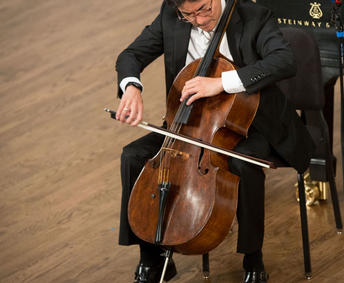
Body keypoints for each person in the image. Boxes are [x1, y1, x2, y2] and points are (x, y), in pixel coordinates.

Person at [115, 0, 315, 282]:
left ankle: (253, 261)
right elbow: (130, 55)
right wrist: (131, 86)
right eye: (188, 15)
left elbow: (283, 60)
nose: (197, 20)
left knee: (241, 165)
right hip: (190, 125)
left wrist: (222, 82)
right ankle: (152, 259)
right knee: (132, 156)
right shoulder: (171, 17)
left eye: (203, 10)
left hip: (253, 124)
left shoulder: (253, 15)